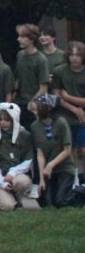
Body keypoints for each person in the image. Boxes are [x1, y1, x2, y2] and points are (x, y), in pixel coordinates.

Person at [29, 93, 78, 208]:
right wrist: (41, 179)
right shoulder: (34, 126)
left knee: (59, 202)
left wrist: (51, 164)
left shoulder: (61, 123)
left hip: (64, 168)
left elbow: (67, 150)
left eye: (36, 110)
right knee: (46, 203)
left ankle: (79, 194)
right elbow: (40, 153)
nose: (34, 113)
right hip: (48, 172)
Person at [0, 102, 34, 211]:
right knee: (8, 207)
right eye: (1, 119)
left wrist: (13, 172)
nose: (3, 123)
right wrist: (2, 183)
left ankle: (15, 194)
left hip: (15, 176)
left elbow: (28, 160)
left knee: (23, 182)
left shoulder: (25, 136)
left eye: (7, 120)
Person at [49, 40, 85, 177]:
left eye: (78, 55)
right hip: (64, 116)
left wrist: (68, 96)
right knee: (69, 150)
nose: (74, 58)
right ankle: (74, 178)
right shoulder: (59, 71)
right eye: (72, 54)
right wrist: (74, 108)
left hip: (82, 118)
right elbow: (56, 97)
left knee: (83, 150)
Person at [14, 24, 49, 126]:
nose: (18, 39)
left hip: (33, 104)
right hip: (19, 102)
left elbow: (43, 87)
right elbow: (18, 78)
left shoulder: (41, 59)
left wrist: (33, 101)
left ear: (32, 39)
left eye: (22, 37)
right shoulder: (20, 55)